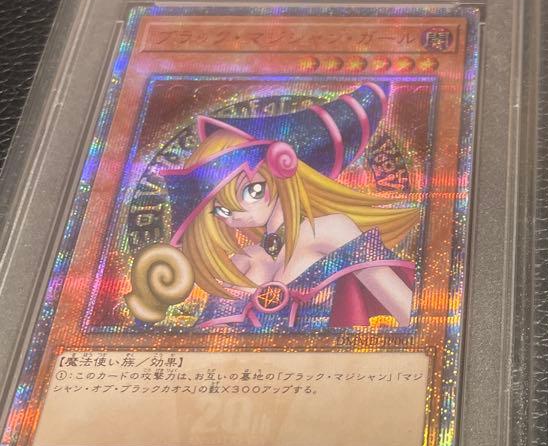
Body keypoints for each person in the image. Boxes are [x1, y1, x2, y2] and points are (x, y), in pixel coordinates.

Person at [126, 82, 419, 330]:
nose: (236, 215)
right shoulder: (242, 262)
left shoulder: (331, 230)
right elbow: (210, 348)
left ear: (281, 172)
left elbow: (409, 313)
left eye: (251, 191)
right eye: (222, 210)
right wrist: (148, 312)